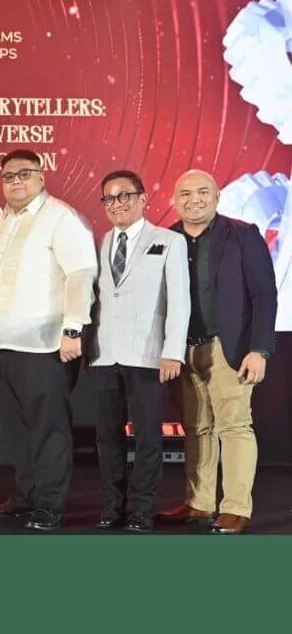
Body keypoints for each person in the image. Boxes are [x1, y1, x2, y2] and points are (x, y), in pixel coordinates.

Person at [0, 149, 96, 531]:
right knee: (16, 429)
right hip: (0, 343)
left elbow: (80, 275)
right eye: (8, 176)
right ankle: (26, 495)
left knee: (49, 430)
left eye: (24, 174)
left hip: (45, 345)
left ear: (41, 177)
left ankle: (50, 505)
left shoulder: (60, 218)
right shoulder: (1, 220)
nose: (15, 181)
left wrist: (74, 329)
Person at [158, 170, 277, 534]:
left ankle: (236, 509)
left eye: (203, 191)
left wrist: (259, 349)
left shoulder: (242, 234)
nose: (195, 199)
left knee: (235, 427)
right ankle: (199, 503)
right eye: (186, 193)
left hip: (230, 348)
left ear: (217, 196)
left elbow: (264, 295)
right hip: (182, 350)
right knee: (196, 430)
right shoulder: (166, 240)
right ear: (174, 200)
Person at [87, 170, 190, 532]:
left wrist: (173, 351)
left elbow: (180, 301)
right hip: (104, 354)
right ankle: (113, 506)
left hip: (148, 354)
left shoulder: (169, 241)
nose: (117, 204)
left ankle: (142, 508)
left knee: (147, 435)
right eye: (110, 199)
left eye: (125, 196)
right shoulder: (99, 243)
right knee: (107, 436)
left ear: (143, 198)